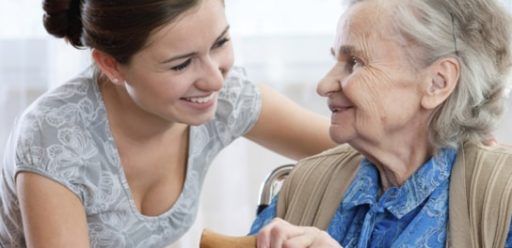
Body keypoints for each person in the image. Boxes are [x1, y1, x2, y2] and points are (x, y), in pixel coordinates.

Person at [0, 0, 336, 247]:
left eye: (220, 43)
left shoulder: (225, 100)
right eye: (181, 65)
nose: (214, 80)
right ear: (111, 65)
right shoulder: (54, 139)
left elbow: (360, 145)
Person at [250, 0, 512, 247]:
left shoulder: (503, 196)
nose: (324, 85)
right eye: (336, 60)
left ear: (437, 82)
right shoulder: (305, 184)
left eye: (355, 63)